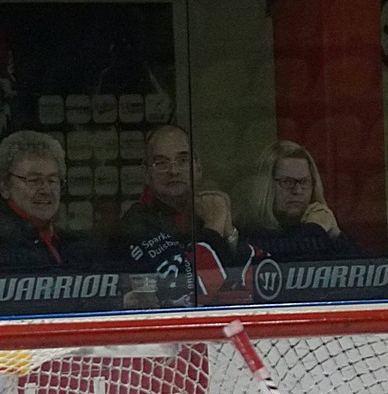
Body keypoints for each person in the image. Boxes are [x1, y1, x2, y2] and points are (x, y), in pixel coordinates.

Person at [114, 124, 258, 305]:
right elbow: (184, 288)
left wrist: (230, 234)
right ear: (146, 173)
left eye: (183, 160)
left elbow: (255, 282)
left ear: (198, 167)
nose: (174, 171)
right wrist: (213, 228)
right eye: (162, 163)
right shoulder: (135, 222)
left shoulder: (209, 209)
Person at [236, 140, 362, 260]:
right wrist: (313, 229)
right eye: (287, 181)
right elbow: (285, 262)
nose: (298, 190)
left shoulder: (322, 227)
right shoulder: (248, 232)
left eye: (304, 182)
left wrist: (336, 235)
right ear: (266, 186)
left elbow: (362, 268)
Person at [0, 130, 93, 269]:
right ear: (5, 186)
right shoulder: (5, 245)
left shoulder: (73, 245)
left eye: (52, 180)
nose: (46, 190)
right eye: (34, 180)